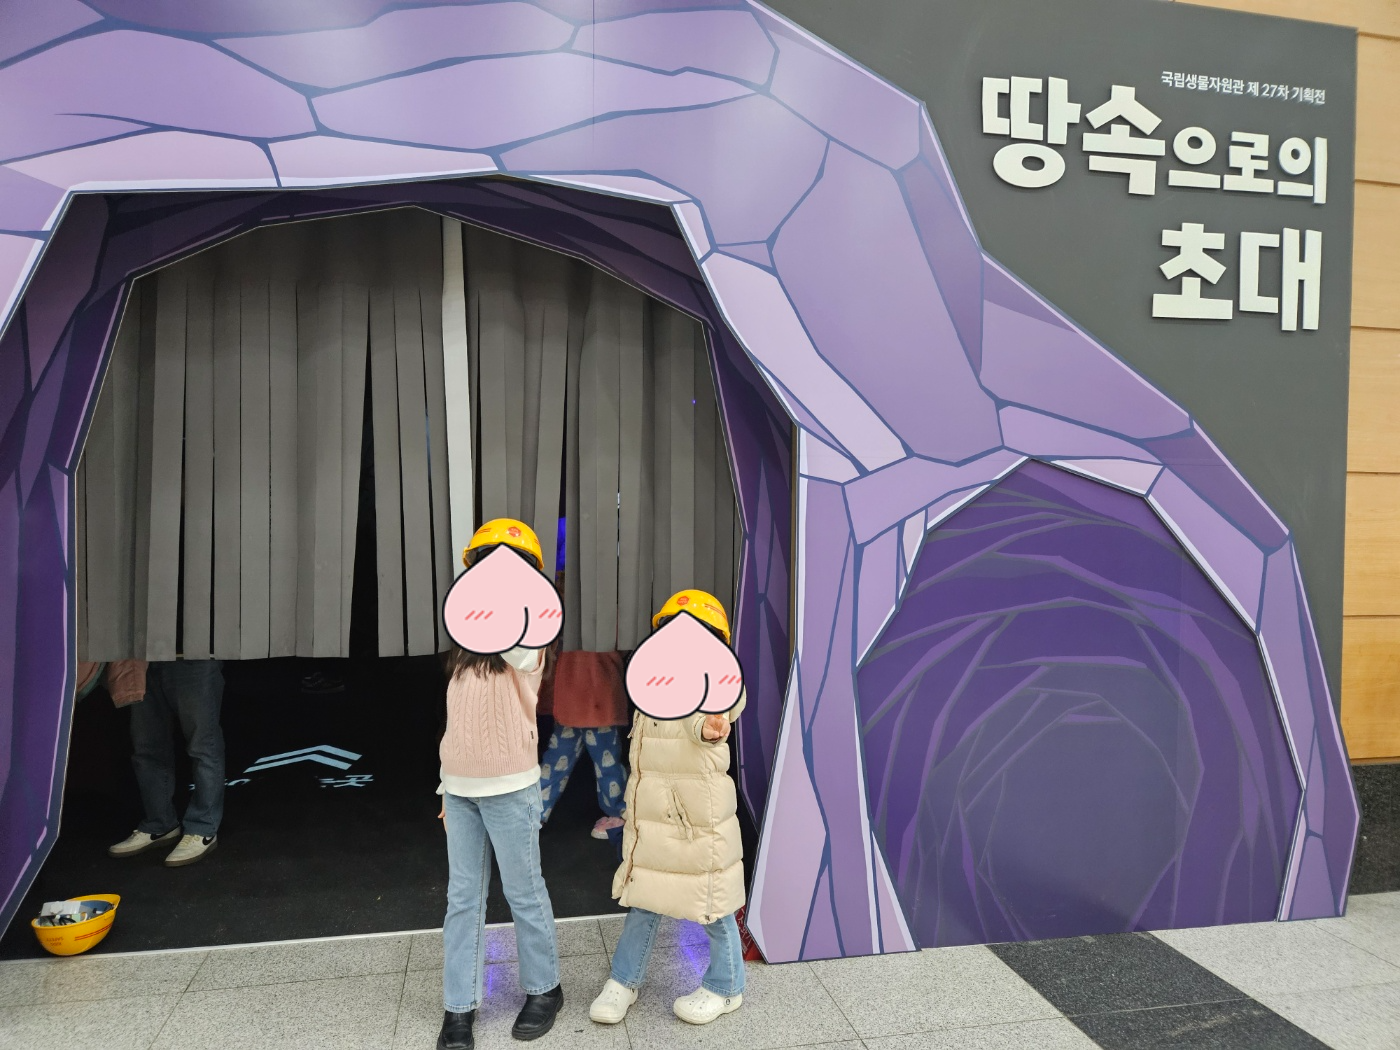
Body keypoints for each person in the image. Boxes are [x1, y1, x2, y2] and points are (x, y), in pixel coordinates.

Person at [589, 590, 748, 1027]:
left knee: (712, 902)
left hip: (697, 821)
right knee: (645, 898)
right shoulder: (654, 681)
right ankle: (623, 980)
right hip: (654, 818)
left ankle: (727, 987)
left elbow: (717, 714)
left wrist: (712, 728)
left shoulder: (715, 683)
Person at [436, 519, 564, 1050]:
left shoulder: (529, 643)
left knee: (523, 892)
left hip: (511, 787)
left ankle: (544, 988)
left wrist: (507, 591)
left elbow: (517, 645)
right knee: (462, 899)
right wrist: (445, 786)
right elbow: (458, 723)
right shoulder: (463, 649)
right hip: (460, 788)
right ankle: (459, 1007)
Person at [108, 659, 226, 867]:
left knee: (202, 744)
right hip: (143, 659)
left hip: (192, 655)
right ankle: (159, 823)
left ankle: (203, 828)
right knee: (147, 746)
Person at [536, 648, 628, 839]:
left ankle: (537, 811)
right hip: (584, 699)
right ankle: (618, 813)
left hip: (586, 698)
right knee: (606, 763)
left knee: (558, 760)